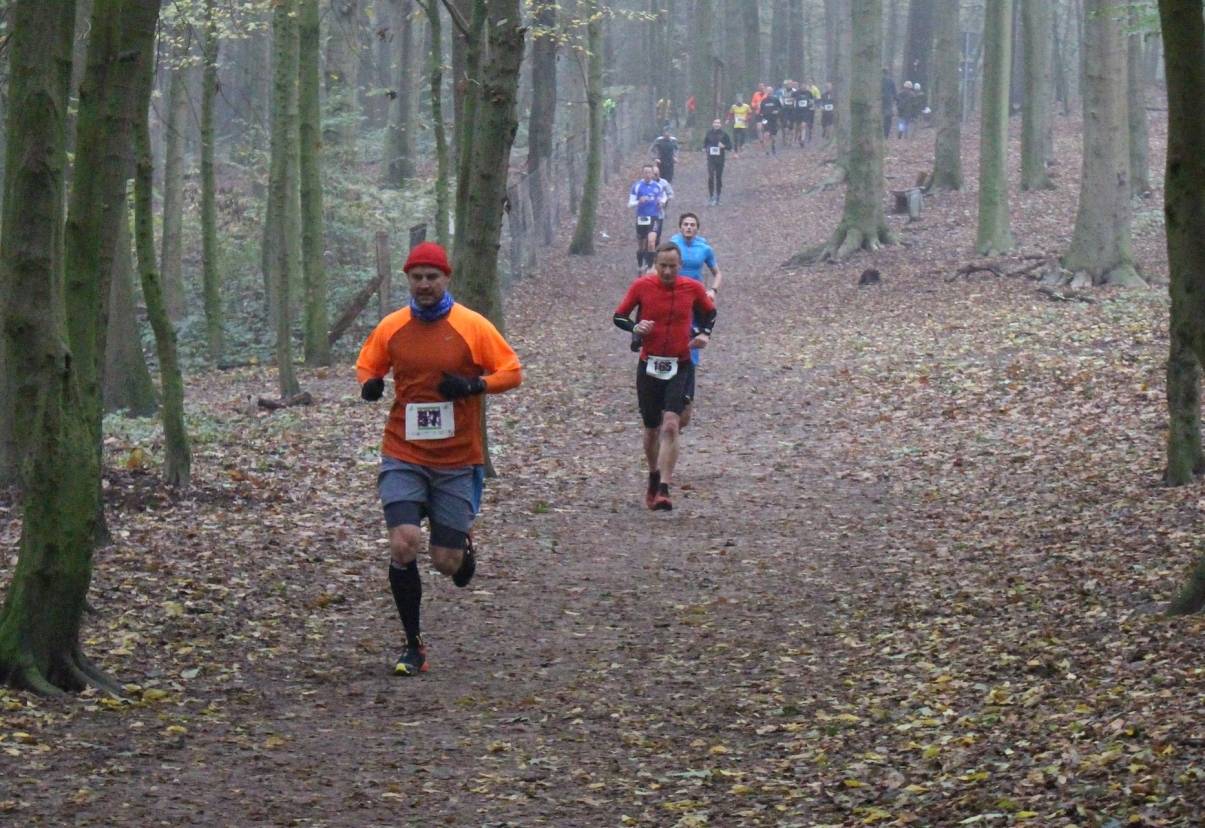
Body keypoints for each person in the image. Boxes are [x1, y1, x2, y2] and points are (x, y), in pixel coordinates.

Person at [357, 241, 523, 677]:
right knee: (403, 542)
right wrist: (370, 383)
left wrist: (474, 386)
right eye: (417, 278)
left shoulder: (472, 325)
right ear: (408, 280)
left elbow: (512, 371)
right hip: (403, 452)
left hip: (456, 459)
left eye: (432, 277)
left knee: (445, 563)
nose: (425, 284)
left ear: (446, 278)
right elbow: (368, 364)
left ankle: (461, 547)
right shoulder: (393, 326)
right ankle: (412, 645)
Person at [612, 243, 716, 511]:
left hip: (680, 364)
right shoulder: (642, 286)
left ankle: (664, 489)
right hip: (649, 365)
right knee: (651, 428)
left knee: (671, 424)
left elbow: (710, 312)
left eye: (672, 266)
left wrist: (704, 334)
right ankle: (653, 475)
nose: (667, 271)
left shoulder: (692, 288)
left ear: (680, 266)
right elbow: (619, 316)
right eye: (663, 266)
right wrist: (636, 327)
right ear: (655, 265)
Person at [669, 212, 722, 428]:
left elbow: (717, 273)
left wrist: (713, 291)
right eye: (685, 224)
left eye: (692, 225)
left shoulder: (704, 248)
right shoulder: (673, 245)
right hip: (675, 295)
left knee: (694, 334)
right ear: (680, 227)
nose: (689, 228)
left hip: (697, 297)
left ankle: (689, 375)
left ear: (697, 228)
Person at [628, 163, 664, 273]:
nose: (648, 174)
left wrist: (661, 202)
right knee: (641, 245)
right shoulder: (637, 186)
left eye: (649, 172)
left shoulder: (658, 186)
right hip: (642, 217)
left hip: (654, 217)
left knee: (651, 242)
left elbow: (663, 198)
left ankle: (650, 267)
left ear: (653, 174)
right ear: (642, 173)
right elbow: (630, 204)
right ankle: (640, 266)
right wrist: (639, 201)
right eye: (645, 172)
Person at [702, 120, 733, 205]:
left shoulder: (724, 134)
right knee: (711, 177)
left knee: (719, 178)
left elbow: (730, 147)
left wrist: (724, 146)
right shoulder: (709, 133)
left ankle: (718, 197)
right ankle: (711, 196)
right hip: (711, 159)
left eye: (718, 123)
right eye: (715, 123)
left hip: (720, 159)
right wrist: (705, 148)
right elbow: (705, 144)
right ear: (712, 124)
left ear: (720, 125)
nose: (716, 124)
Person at [758, 85, 782, 156]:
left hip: (774, 119)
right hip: (766, 119)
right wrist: (762, 118)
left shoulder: (776, 100)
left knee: (773, 136)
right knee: (766, 134)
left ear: (772, 92)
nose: (769, 92)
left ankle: (773, 146)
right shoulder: (764, 101)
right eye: (768, 91)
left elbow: (780, 108)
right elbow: (761, 111)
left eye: (770, 91)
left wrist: (777, 111)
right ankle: (767, 151)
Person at [881, 68, 897, 140]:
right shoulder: (891, 81)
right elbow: (895, 92)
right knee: (888, 119)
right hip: (888, 102)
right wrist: (896, 100)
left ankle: (882, 134)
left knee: (882, 117)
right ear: (887, 73)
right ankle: (886, 135)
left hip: (881, 101)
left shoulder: (879, 81)